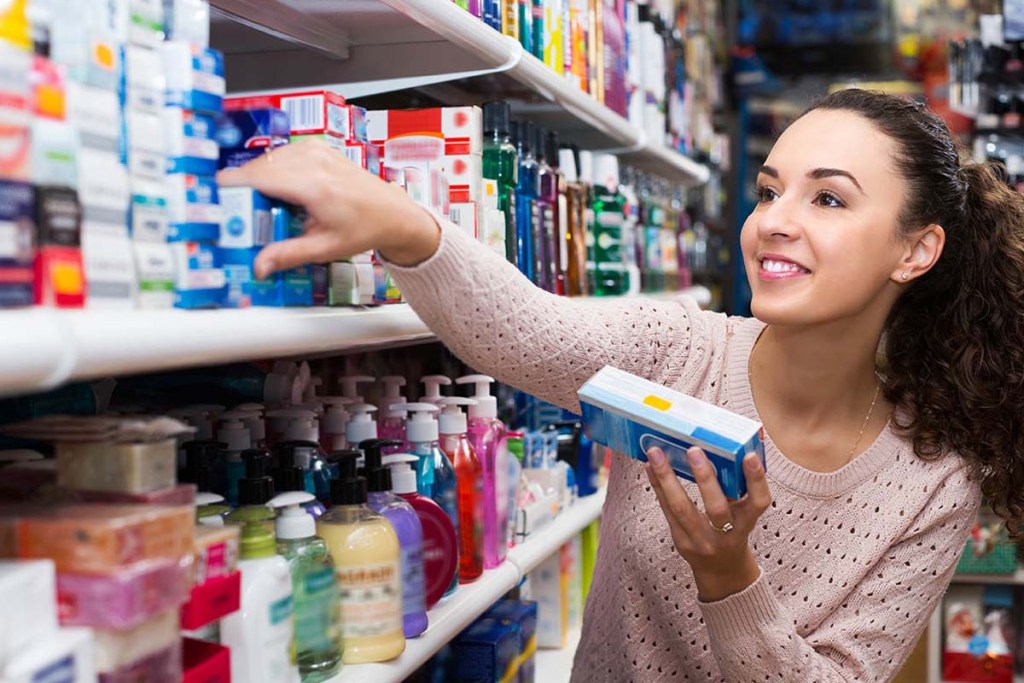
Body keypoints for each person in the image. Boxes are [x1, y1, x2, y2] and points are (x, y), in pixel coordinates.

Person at [218, 89, 1024, 681]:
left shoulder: (933, 477)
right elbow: (522, 331)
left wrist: (727, 573)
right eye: (770, 190)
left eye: (828, 198)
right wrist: (402, 223)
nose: (776, 219)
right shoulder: (680, 349)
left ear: (915, 251)